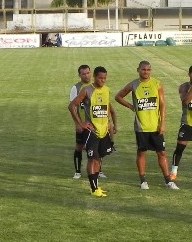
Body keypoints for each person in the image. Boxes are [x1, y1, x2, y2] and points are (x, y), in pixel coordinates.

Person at [115, 60, 178, 190]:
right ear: (138, 70)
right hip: (141, 126)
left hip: (155, 126)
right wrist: (131, 106)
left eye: (148, 70)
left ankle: (168, 181)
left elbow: (162, 105)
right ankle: (143, 181)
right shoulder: (134, 85)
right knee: (142, 152)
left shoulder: (157, 84)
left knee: (162, 153)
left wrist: (162, 123)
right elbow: (118, 96)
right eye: (143, 69)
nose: (146, 72)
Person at [69, 66, 115, 197]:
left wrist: (108, 123)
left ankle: (96, 187)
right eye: (100, 78)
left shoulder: (107, 90)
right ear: (94, 77)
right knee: (92, 159)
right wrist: (81, 123)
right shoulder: (86, 90)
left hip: (103, 131)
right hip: (91, 132)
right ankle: (94, 188)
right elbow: (72, 106)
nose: (103, 80)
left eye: (105, 78)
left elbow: (106, 108)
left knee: (98, 159)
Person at [70, 64, 92, 179]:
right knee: (79, 146)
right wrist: (78, 123)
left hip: (95, 124)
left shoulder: (96, 86)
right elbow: (73, 107)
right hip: (82, 123)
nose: (86, 75)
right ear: (79, 75)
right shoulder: (76, 88)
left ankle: (99, 170)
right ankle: (77, 171)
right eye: (83, 74)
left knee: (95, 147)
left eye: (88, 73)